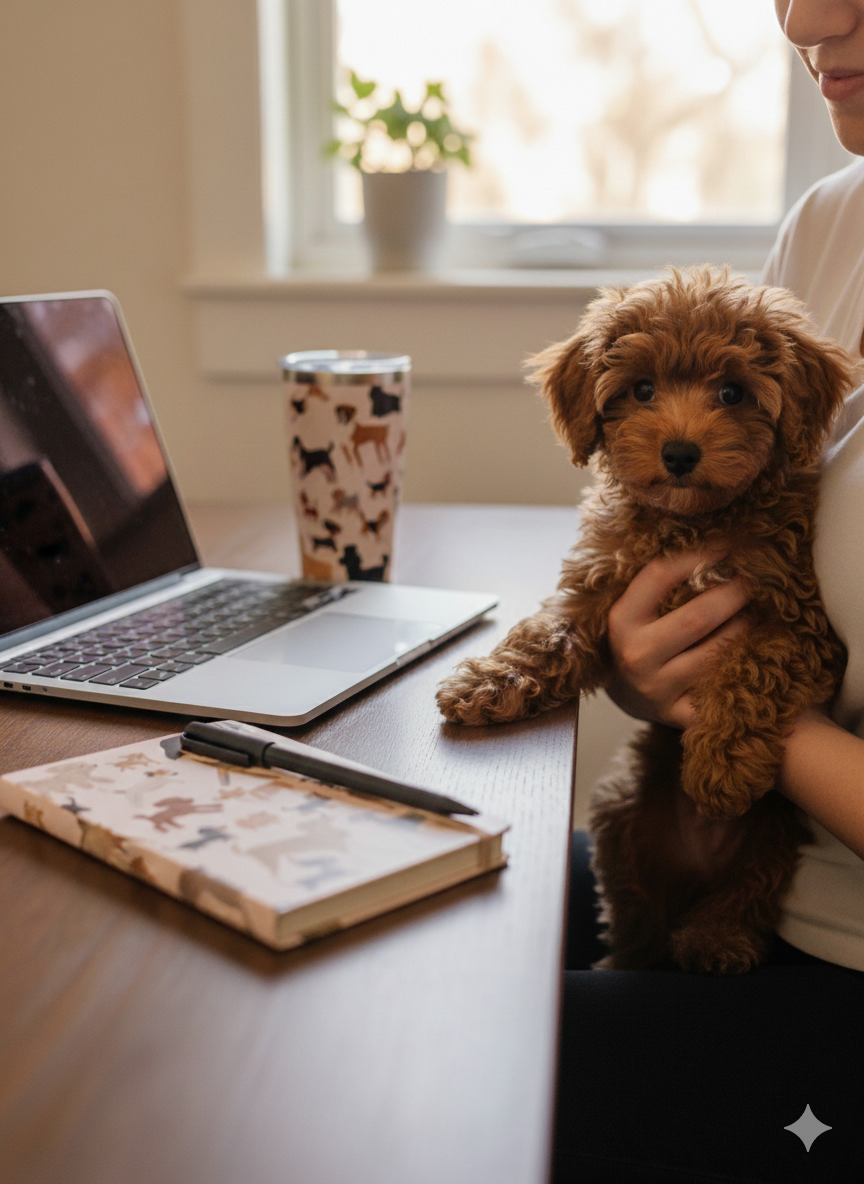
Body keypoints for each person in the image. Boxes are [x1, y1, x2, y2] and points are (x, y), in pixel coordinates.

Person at [554, 2, 864, 1179]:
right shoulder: (835, 221)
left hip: (837, 957)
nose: (803, 15)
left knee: (405, 1072)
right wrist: (643, 666)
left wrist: (753, 722)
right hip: (737, 862)